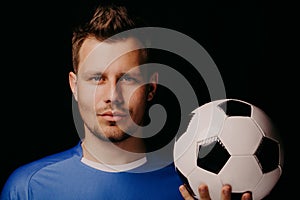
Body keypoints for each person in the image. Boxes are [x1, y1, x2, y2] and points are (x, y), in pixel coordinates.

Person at [1, 2, 252, 200]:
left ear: (151, 88)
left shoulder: (194, 188)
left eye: (128, 80)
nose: (113, 96)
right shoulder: (29, 188)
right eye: (97, 78)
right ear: (74, 86)